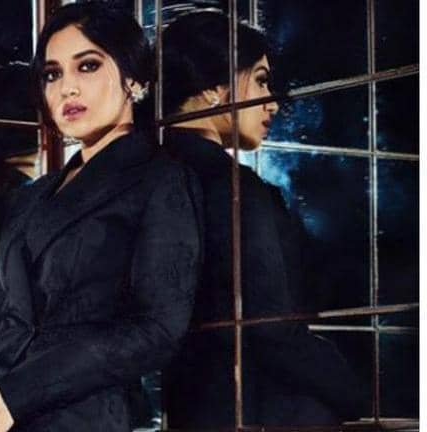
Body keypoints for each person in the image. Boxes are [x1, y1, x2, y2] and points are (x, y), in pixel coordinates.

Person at [0, 4, 203, 432]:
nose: (67, 89)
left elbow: (157, 330)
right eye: (52, 74)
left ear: (134, 79)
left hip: (81, 414)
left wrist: (19, 393)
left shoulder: (160, 180)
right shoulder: (33, 195)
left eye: (88, 66)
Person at [160, 10, 367, 427]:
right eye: (260, 81)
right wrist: (357, 394)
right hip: (265, 409)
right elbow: (271, 329)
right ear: (213, 88)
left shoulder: (149, 176)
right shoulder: (233, 188)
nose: (270, 102)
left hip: (188, 409)